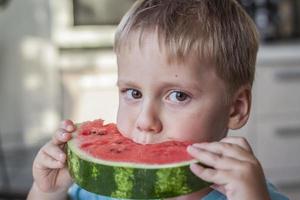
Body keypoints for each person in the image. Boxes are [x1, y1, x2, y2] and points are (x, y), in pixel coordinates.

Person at [27, 0, 289, 199]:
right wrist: (47, 190)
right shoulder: (97, 189)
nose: (145, 121)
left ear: (236, 108)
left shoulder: (253, 193)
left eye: (178, 95)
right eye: (133, 93)